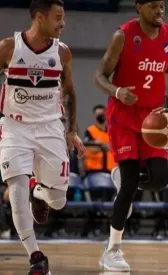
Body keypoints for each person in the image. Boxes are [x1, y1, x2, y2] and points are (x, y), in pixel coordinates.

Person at [93, 0, 168, 271]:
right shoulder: (123, 36)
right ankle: (112, 249)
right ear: (139, 7)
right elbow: (100, 75)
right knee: (131, 184)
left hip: (154, 116)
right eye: (153, 6)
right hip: (123, 117)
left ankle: (125, 177)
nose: (160, 11)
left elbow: (167, 70)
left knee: (160, 179)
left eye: (163, 6)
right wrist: (118, 92)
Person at [0, 0, 85, 274]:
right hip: (15, 127)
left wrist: (72, 131)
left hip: (50, 127)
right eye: (58, 17)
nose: (63, 23)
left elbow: (69, 92)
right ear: (40, 17)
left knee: (58, 200)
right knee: (16, 191)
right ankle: (36, 257)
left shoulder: (62, 53)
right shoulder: (9, 48)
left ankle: (40, 192)